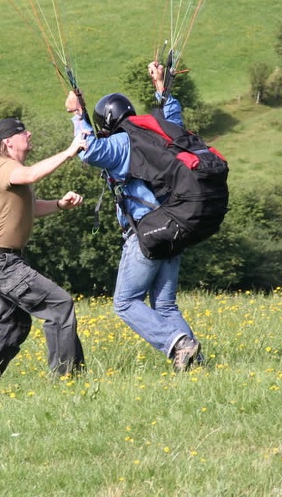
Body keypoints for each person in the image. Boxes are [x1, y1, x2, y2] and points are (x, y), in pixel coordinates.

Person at [65, 61, 202, 372]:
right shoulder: (158, 133)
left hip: (147, 231)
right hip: (177, 224)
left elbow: (88, 150)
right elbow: (174, 118)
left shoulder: (122, 143)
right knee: (165, 305)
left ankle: (179, 344)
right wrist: (162, 89)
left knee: (125, 303)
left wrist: (76, 115)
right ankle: (195, 363)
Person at [0, 116, 86, 388]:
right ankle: (68, 381)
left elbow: (32, 207)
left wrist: (59, 204)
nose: (29, 134)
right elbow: (31, 174)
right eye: (22, 132)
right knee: (59, 305)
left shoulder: (12, 171)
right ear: (8, 142)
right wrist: (69, 151)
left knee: (14, 324)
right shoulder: (4, 167)